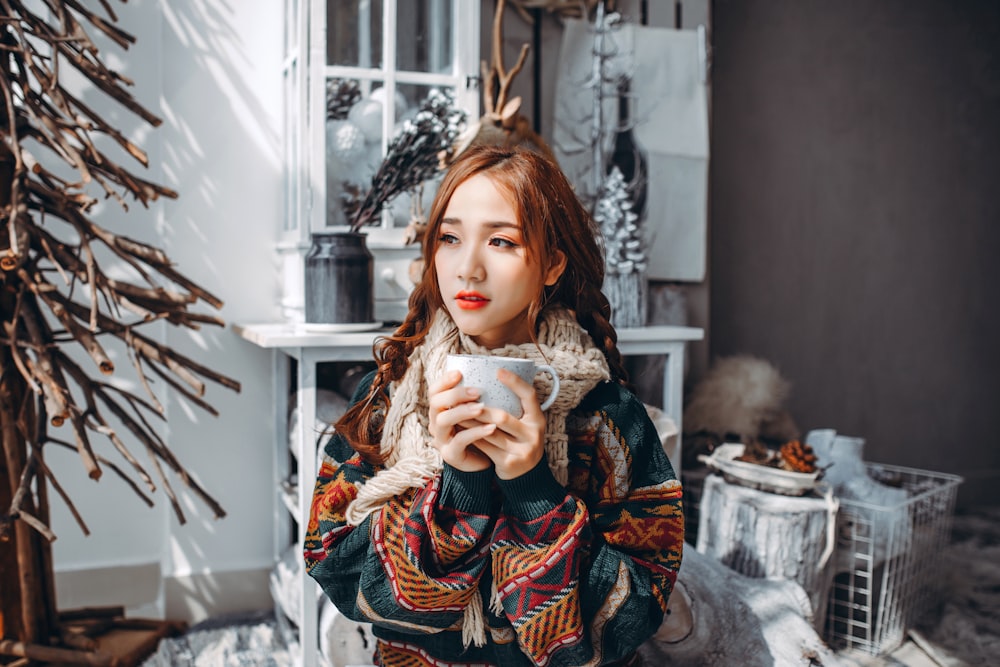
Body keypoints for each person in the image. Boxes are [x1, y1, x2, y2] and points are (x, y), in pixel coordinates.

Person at [305, 145, 684, 667]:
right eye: (450, 238)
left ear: (552, 263)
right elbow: (339, 574)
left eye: (501, 241)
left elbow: (634, 618)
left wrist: (534, 493)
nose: (468, 268)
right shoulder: (386, 398)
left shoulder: (609, 419)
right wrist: (459, 488)